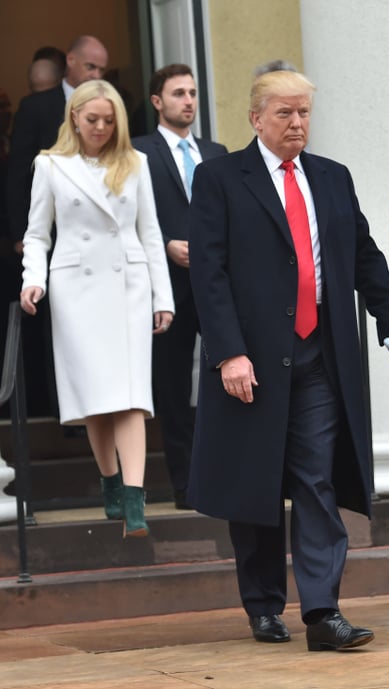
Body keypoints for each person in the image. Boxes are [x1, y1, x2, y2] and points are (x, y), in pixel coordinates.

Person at [187, 69, 389, 651]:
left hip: (320, 356)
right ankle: (264, 607)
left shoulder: (331, 178)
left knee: (316, 477)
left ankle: (322, 612)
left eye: (304, 114)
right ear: (256, 118)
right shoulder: (218, 178)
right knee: (255, 482)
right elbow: (209, 274)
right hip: (254, 359)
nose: (297, 124)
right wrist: (229, 354)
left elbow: (365, 257)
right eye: (285, 114)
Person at [19, 80, 175, 537]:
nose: (102, 128)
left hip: (127, 286)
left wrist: (161, 297)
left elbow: (150, 233)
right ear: (74, 117)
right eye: (93, 120)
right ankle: (109, 478)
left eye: (109, 121)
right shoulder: (49, 166)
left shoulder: (137, 163)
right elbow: (36, 234)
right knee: (95, 400)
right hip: (76, 290)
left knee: (130, 398)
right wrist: (34, 279)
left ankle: (134, 499)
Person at [133, 64, 227, 510]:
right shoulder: (137, 153)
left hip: (216, 284)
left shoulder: (216, 151)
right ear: (157, 102)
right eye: (177, 94)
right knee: (171, 387)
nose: (188, 101)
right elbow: (125, 215)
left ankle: (224, 473)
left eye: (192, 93)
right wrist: (165, 244)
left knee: (228, 374)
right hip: (165, 287)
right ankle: (184, 484)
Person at [7, 36, 109, 421]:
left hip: (101, 242)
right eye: (90, 67)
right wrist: (20, 233)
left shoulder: (110, 105)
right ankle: (66, 414)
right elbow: (19, 172)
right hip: (53, 235)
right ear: (70, 62)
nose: (97, 76)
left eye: (101, 69)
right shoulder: (37, 108)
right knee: (60, 328)